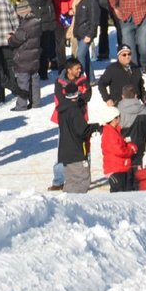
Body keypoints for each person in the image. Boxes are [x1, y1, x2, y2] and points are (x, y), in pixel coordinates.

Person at [54, 59, 95, 193]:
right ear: (69, 70)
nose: (79, 71)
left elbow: (87, 95)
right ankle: (59, 179)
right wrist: (77, 98)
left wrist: (75, 98)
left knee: (84, 147)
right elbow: (61, 100)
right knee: (64, 148)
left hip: (80, 118)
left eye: (80, 68)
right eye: (76, 68)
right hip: (65, 121)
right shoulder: (59, 82)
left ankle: (85, 174)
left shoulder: (83, 80)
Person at [15, 0, 60, 79]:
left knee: (44, 49)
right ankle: (33, 72)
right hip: (32, 22)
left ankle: (43, 72)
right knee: (33, 48)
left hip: (46, 22)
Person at [7, 1, 42, 111]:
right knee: (34, 80)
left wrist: (10, 38)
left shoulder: (25, 25)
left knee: (23, 82)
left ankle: (21, 105)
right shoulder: (37, 21)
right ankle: (36, 102)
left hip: (24, 57)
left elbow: (17, 40)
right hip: (34, 57)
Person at [69, 0, 100, 83]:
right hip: (79, 31)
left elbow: (94, 19)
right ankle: (91, 79)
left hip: (87, 32)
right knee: (85, 56)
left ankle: (80, 78)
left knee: (80, 55)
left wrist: (90, 34)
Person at [101, 107, 136, 193]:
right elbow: (119, 150)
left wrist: (130, 145)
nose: (120, 118)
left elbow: (122, 144)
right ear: (113, 119)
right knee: (118, 193)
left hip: (120, 167)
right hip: (115, 169)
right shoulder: (110, 133)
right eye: (118, 116)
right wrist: (131, 150)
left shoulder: (115, 131)